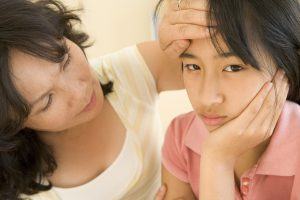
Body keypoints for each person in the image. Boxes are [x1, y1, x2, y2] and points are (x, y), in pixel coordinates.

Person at [0, 0, 209, 199]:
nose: (79, 91)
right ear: (13, 124)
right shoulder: (13, 183)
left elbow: (224, 60)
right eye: (47, 101)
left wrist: (186, 31)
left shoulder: (127, 72)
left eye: (65, 60)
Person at [160, 0, 300, 199]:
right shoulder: (181, 136)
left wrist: (218, 159)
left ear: (285, 65)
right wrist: (217, 157)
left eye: (233, 68)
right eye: (192, 66)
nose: (207, 98)